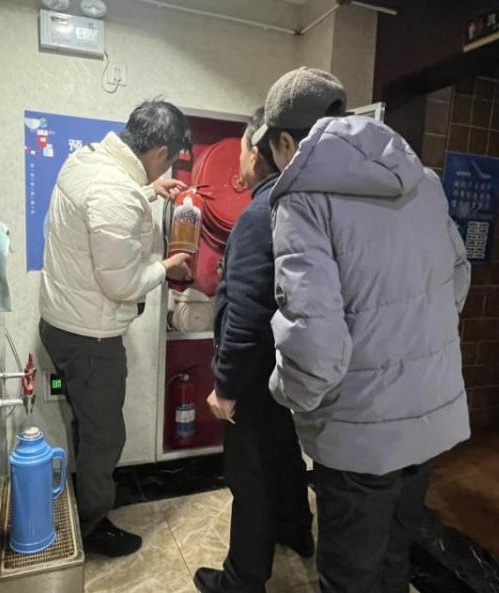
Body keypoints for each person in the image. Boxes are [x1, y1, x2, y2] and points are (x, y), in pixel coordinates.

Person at [256, 67, 471, 593]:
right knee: (394, 563)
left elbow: (315, 341)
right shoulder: (423, 182)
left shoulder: (302, 198)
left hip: (358, 434)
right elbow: (457, 278)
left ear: (285, 143)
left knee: (349, 577)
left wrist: (287, 393)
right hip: (426, 419)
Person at [39, 100, 193, 557]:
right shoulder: (115, 193)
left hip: (63, 325)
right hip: (91, 339)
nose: (165, 169)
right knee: (106, 436)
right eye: (167, 162)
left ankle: (90, 492)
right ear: (159, 151)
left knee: (90, 426)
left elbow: (106, 204)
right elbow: (122, 283)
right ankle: (92, 525)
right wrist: (167, 266)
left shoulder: (87, 159)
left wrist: (149, 190)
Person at [195, 108, 314, 593]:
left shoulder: (256, 215)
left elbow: (243, 312)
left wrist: (225, 386)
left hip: (253, 374)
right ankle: (297, 531)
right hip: (287, 366)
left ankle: (243, 579)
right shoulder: (300, 208)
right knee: (284, 454)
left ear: (256, 151)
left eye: (243, 147)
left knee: (250, 477)